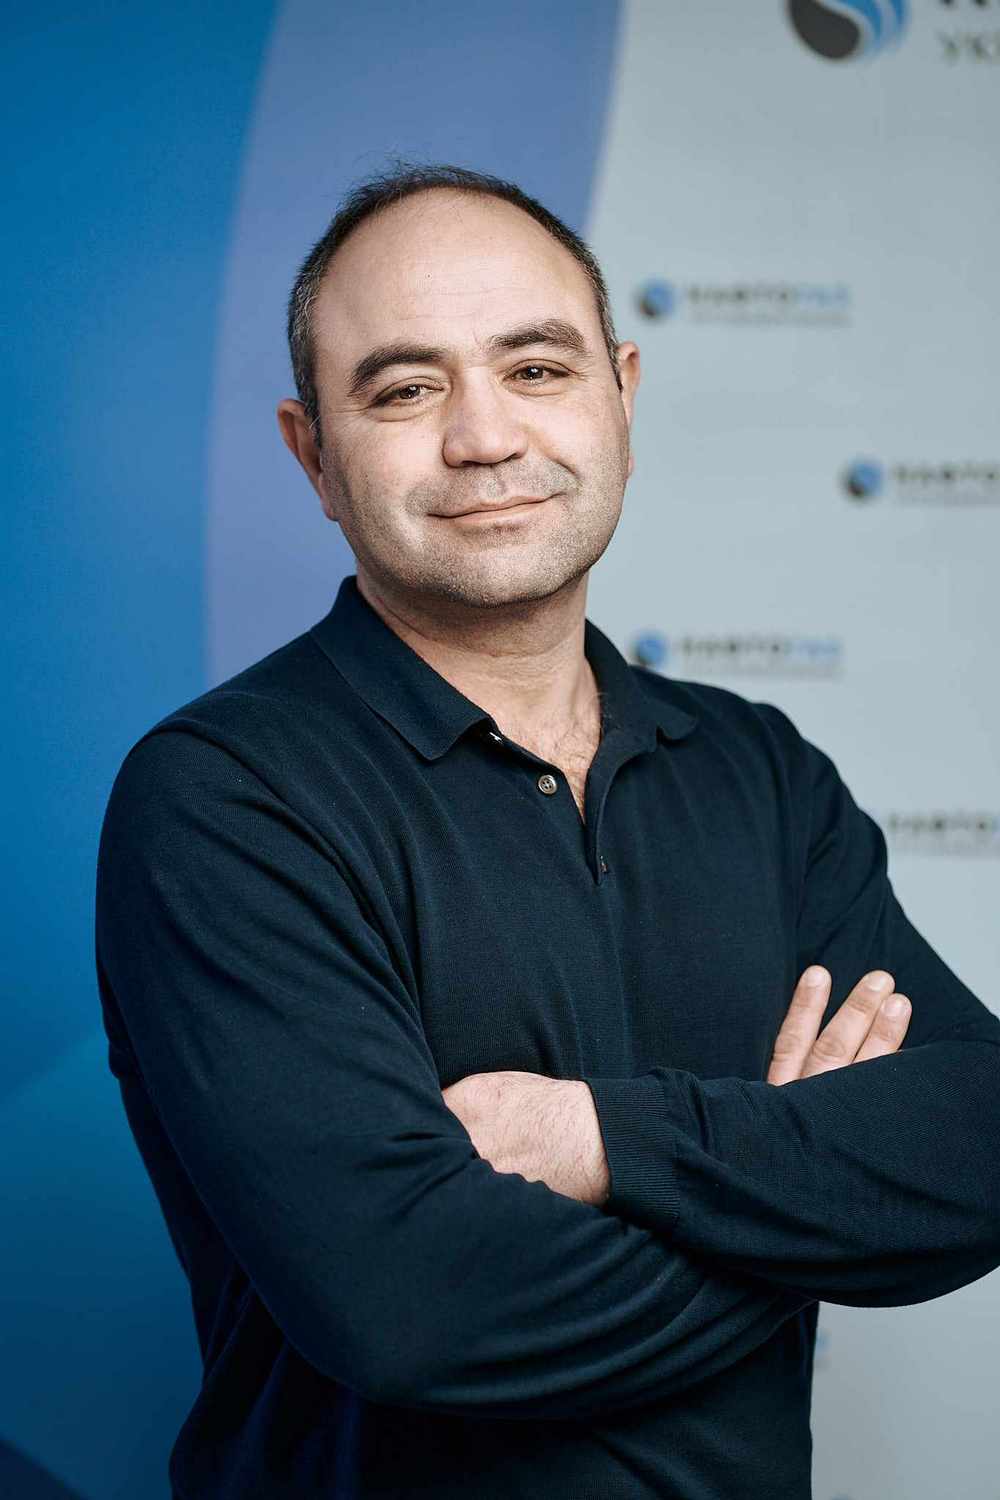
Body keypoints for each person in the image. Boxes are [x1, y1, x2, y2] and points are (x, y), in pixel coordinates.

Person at [95, 163, 1000, 1499]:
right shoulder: (224, 798)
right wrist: (814, 1188)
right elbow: (413, 1306)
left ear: (621, 396)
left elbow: (979, 1139)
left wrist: (601, 1141)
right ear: (313, 456)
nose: (483, 437)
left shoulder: (759, 769)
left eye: (536, 369)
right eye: (406, 390)